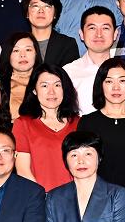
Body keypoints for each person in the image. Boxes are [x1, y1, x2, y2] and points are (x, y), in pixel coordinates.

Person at [13, 63, 81, 191]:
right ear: (34, 90)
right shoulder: (23, 124)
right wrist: (41, 197)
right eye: (44, 85)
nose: (51, 92)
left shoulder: (79, 123)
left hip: (74, 198)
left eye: (57, 85)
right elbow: (23, 170)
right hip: (39, 197)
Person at [77, 58, 125, 192]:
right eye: (109, 81)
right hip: (97, 196)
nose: (116, 87)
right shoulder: (88, 122)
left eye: (122, 81)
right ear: (101, 85)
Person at [64, 6, 117, 115]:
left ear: (115, 34)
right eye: (92, 28)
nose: (99, 34)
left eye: (105, 28)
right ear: (81, 34)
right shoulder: (67, 73)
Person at [25, 0, 81, 67]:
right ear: (27, 13)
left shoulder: (67, 44)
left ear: (55, 14)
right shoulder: (16, 43)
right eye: (35, 6)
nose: (41, 11)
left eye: (47, 6)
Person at [0, 32, 43, 119]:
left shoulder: (46, 82)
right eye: (16, 50)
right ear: (8, 55)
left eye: (28, 50)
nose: (22, 55)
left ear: (36, 53)